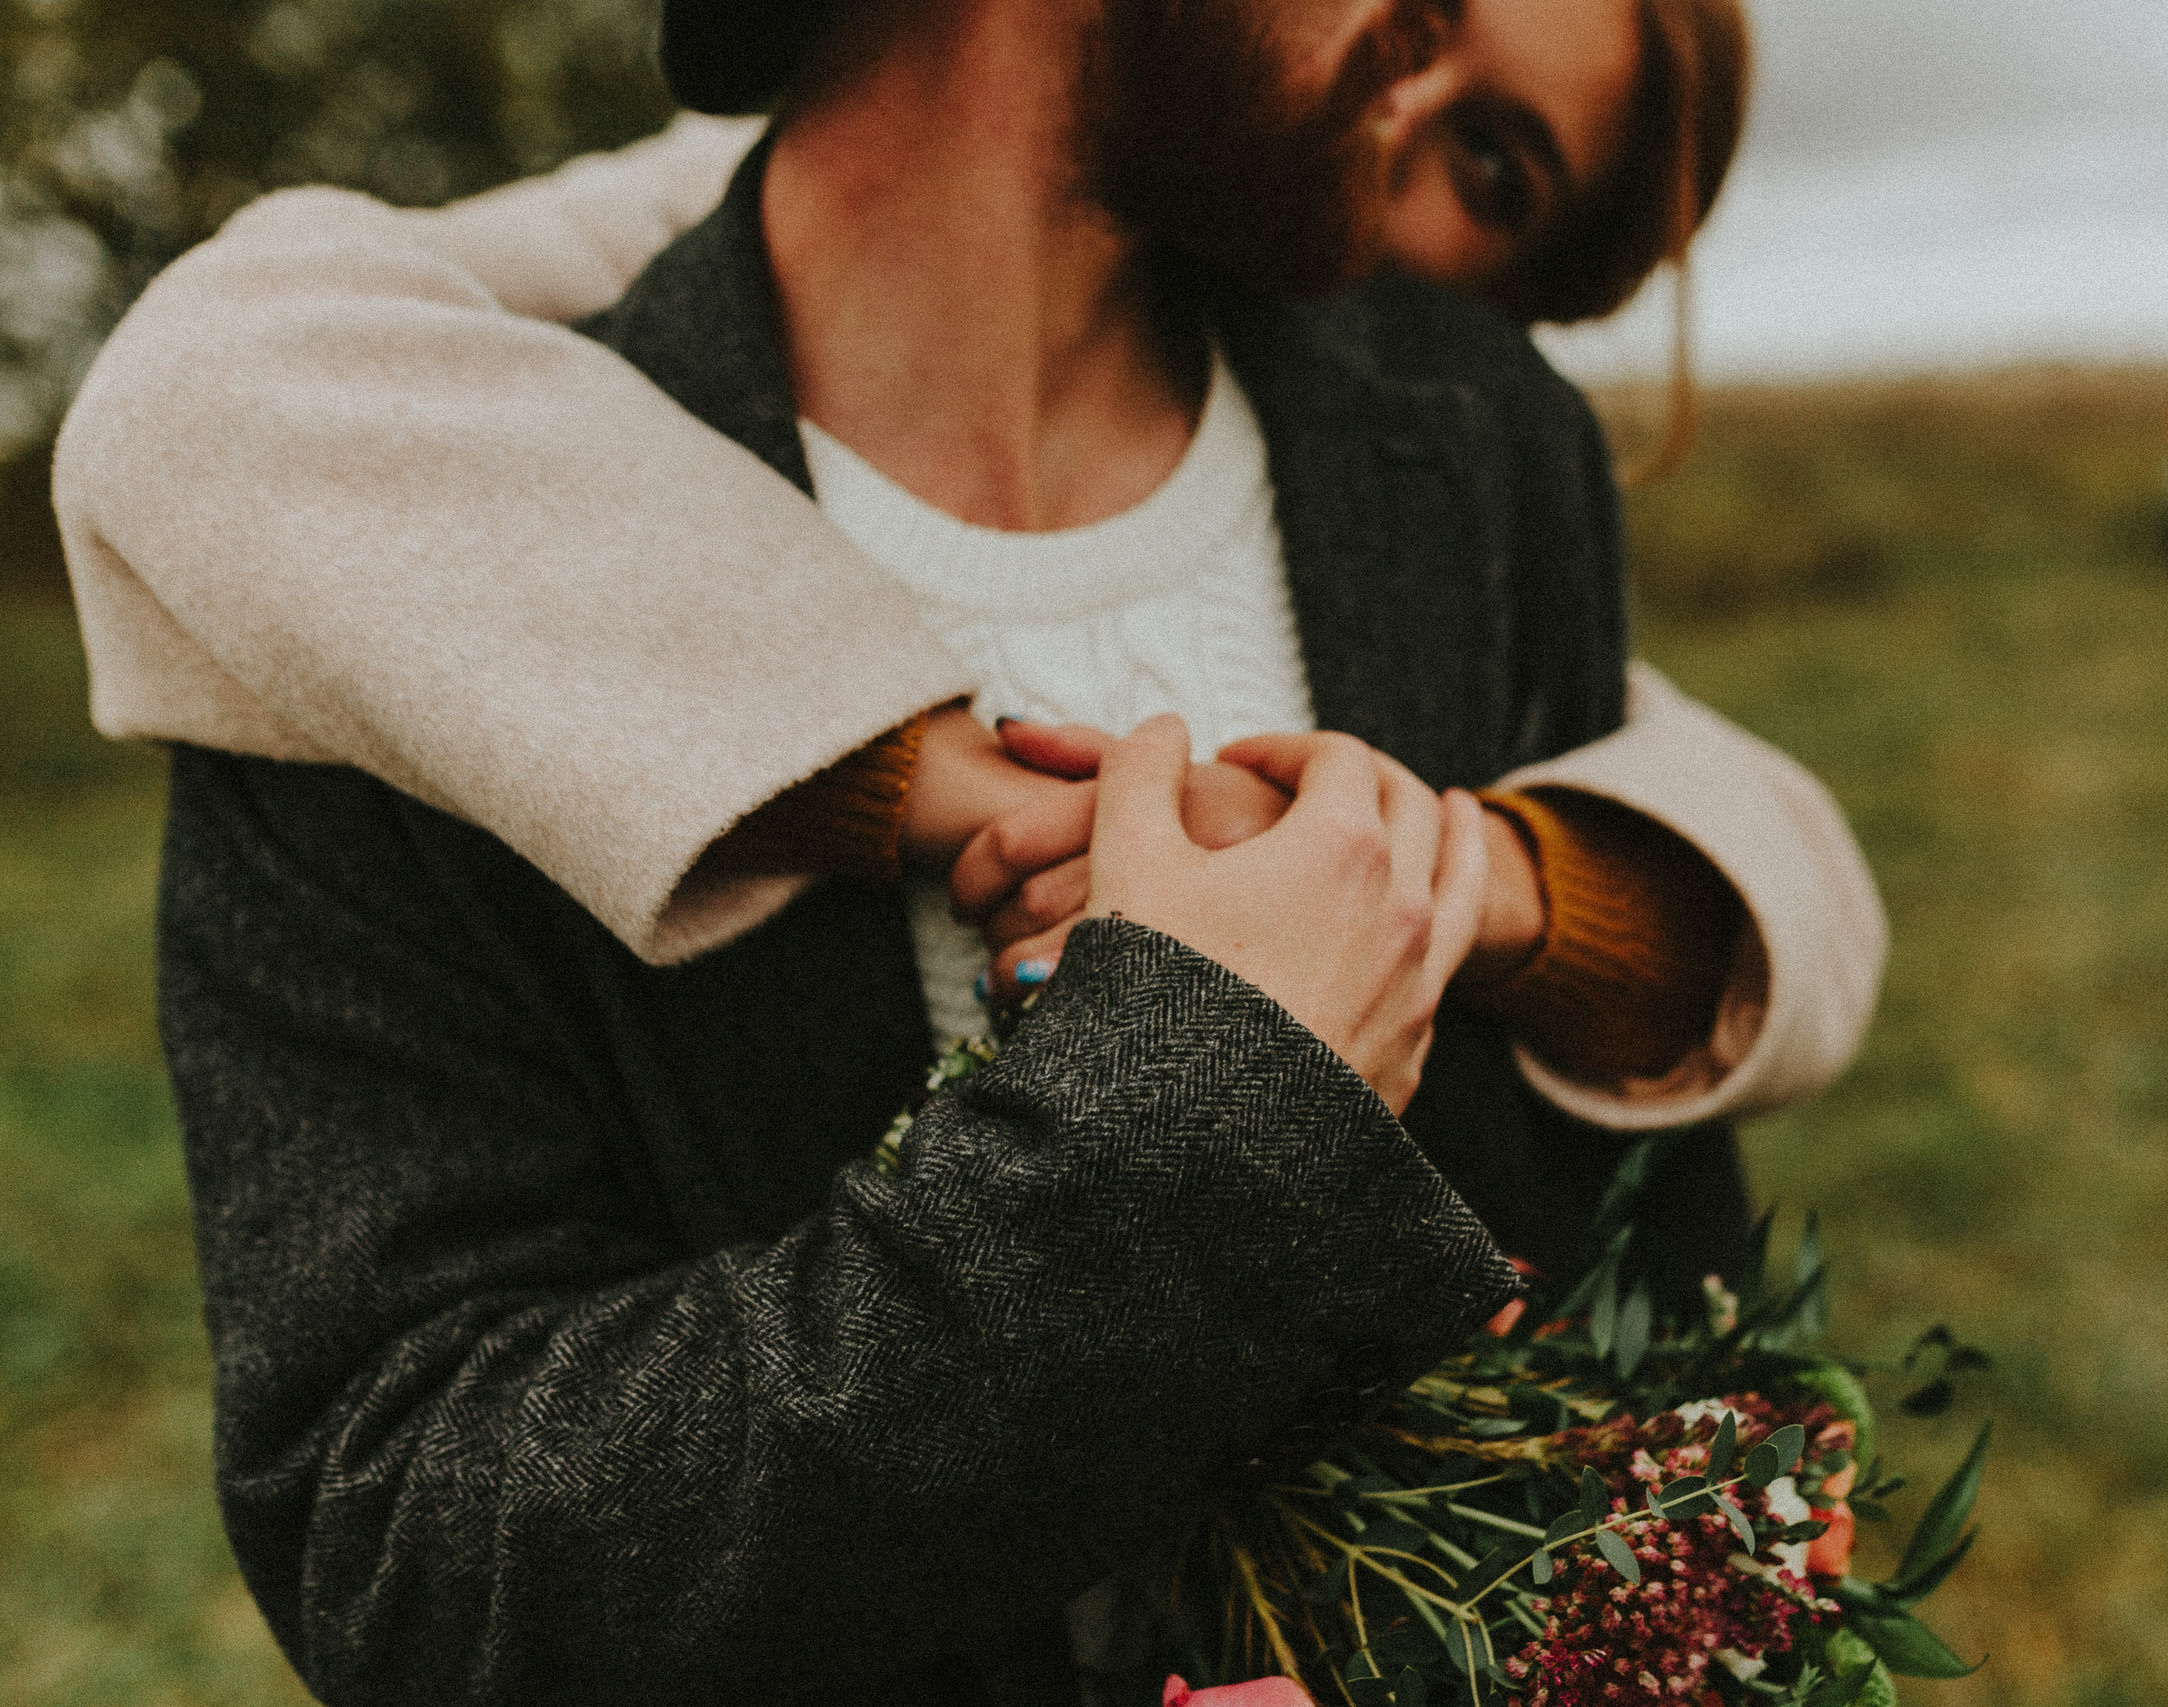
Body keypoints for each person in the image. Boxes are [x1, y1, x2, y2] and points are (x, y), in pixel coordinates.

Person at [96, 0, 1886, 1701]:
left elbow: (1647, 1286)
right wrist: (1201, 1111)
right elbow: (416, 1554)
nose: (1410, 124)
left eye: (1496, 160)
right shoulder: (355, 539)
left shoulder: (1477, 443)